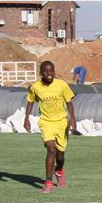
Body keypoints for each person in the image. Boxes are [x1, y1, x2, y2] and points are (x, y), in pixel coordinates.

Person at [23, 61, 77, 194]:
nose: (49, 73)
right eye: (46, 71)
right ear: (41, 73)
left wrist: (73, 119)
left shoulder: (62, 85)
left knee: (60, 154)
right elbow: (30, 101)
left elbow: (69, 102)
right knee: (51, 149)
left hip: (61, 122)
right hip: (46, 122)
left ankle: (59, 171)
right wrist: (26, 118)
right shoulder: (35, 87)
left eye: (51, 70)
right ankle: (48, 182)